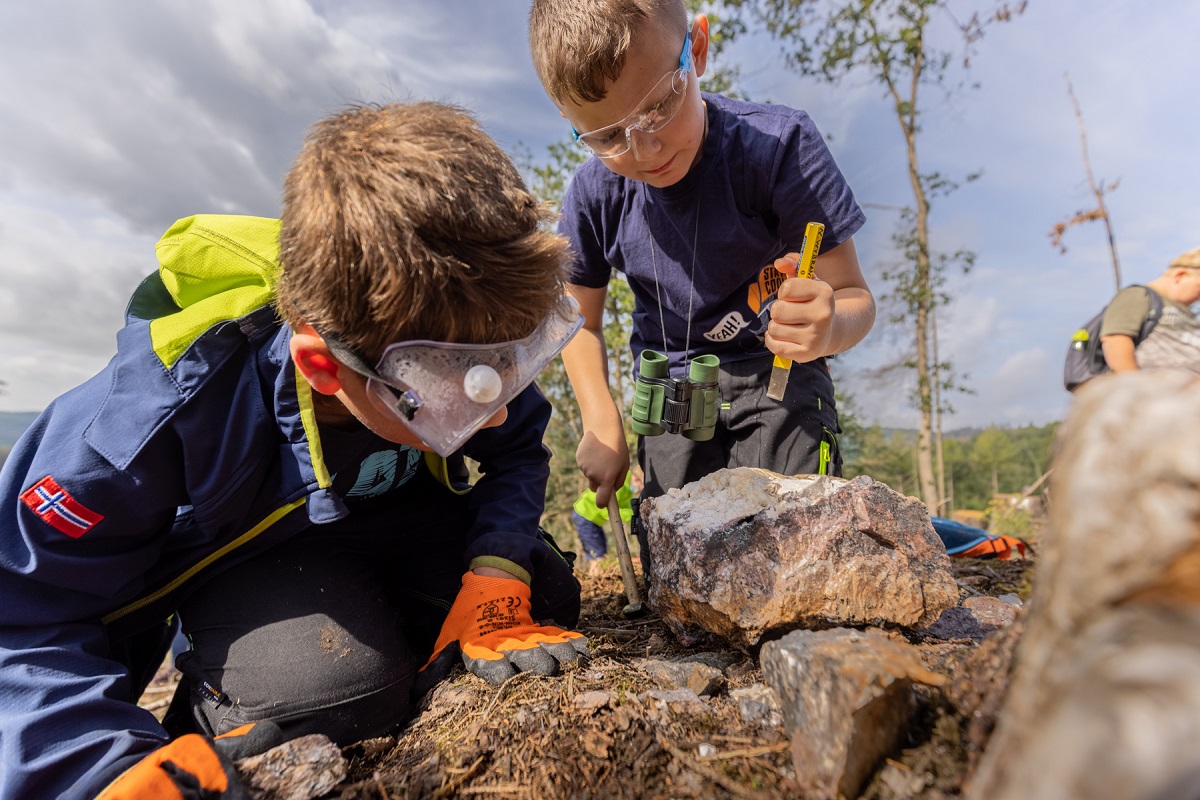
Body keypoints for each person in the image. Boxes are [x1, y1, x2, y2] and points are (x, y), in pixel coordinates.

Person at [0, 102, 589, 800]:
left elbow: (516, 450)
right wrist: (96, 768)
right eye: (457, 387)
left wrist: (497, 573)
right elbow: (22, 612)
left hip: (385, 518)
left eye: (512, 364)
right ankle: (219, 715)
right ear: (323, 365)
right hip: (253, 559)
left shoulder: (462, 332)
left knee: (546, 590)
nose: (493, 412)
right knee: (338, 693)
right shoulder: (148, 425)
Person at [526, 0, 876, 522]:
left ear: (698, 49)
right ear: (568, 118)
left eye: (658, 107)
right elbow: (579, 321)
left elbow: (854, 297)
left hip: (777, 373)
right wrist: (601, 422)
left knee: (796, 528)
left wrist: (828, 331)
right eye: (606, 137)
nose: (643, 149)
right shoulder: (595, 195)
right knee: (676, 544)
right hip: (669, 389)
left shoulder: (780, 149)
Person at [1100, 247, 1200, 374]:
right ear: (1180, 275)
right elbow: (1115, 339)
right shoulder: (1138, 296)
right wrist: (1134, 386)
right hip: (1153, 390)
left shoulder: (1188, 312)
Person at [571, 466, 643, 562]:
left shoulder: (627, 488)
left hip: (593, 520)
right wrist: (632, 514)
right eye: (641, 486)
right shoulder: (619, 484)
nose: (640, 490)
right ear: (636, 479)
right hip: (585, 516)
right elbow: (608, 510)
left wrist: (637, 521)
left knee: (602, 553)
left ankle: (595, 574)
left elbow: (626, 507)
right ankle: (593, 575)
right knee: (598, 556)